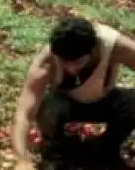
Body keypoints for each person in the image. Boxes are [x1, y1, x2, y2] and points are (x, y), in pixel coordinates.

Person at [12, 17, 135, 169]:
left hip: (106, 103)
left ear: (93, 50)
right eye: (65, 62)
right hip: (65, 109)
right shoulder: (47, 62)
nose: (71, 69)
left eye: (77, 63)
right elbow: (24, 114)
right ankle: (56, 153)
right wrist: (22, 159)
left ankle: (109, 149)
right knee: (48, 109)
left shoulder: (115, 46)